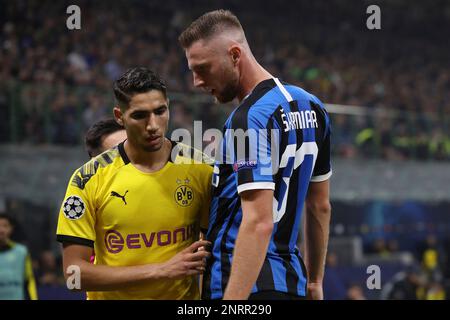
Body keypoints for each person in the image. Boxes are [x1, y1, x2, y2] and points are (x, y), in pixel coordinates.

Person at [179, 10, 332, 300]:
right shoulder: (312, 107)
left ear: (235, 55)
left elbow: (258, 222)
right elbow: (320, 206)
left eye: (203, 68)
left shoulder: (248, 119)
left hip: (244, 286)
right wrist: (315, 282)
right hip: (292, 284)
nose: (197, 81)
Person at [56, 67, 212, 299]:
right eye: (140, 115)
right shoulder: (87, 179)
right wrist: (161, 270)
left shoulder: (203, 169)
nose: (153, 125)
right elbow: (73, 275)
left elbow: (217, 252)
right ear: (120, 117)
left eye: (160, 111)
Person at [0, 213, 38, 300]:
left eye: (5, 226)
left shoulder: (21, 252)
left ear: (11, 229)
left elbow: (29, 279)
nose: (1, 230)